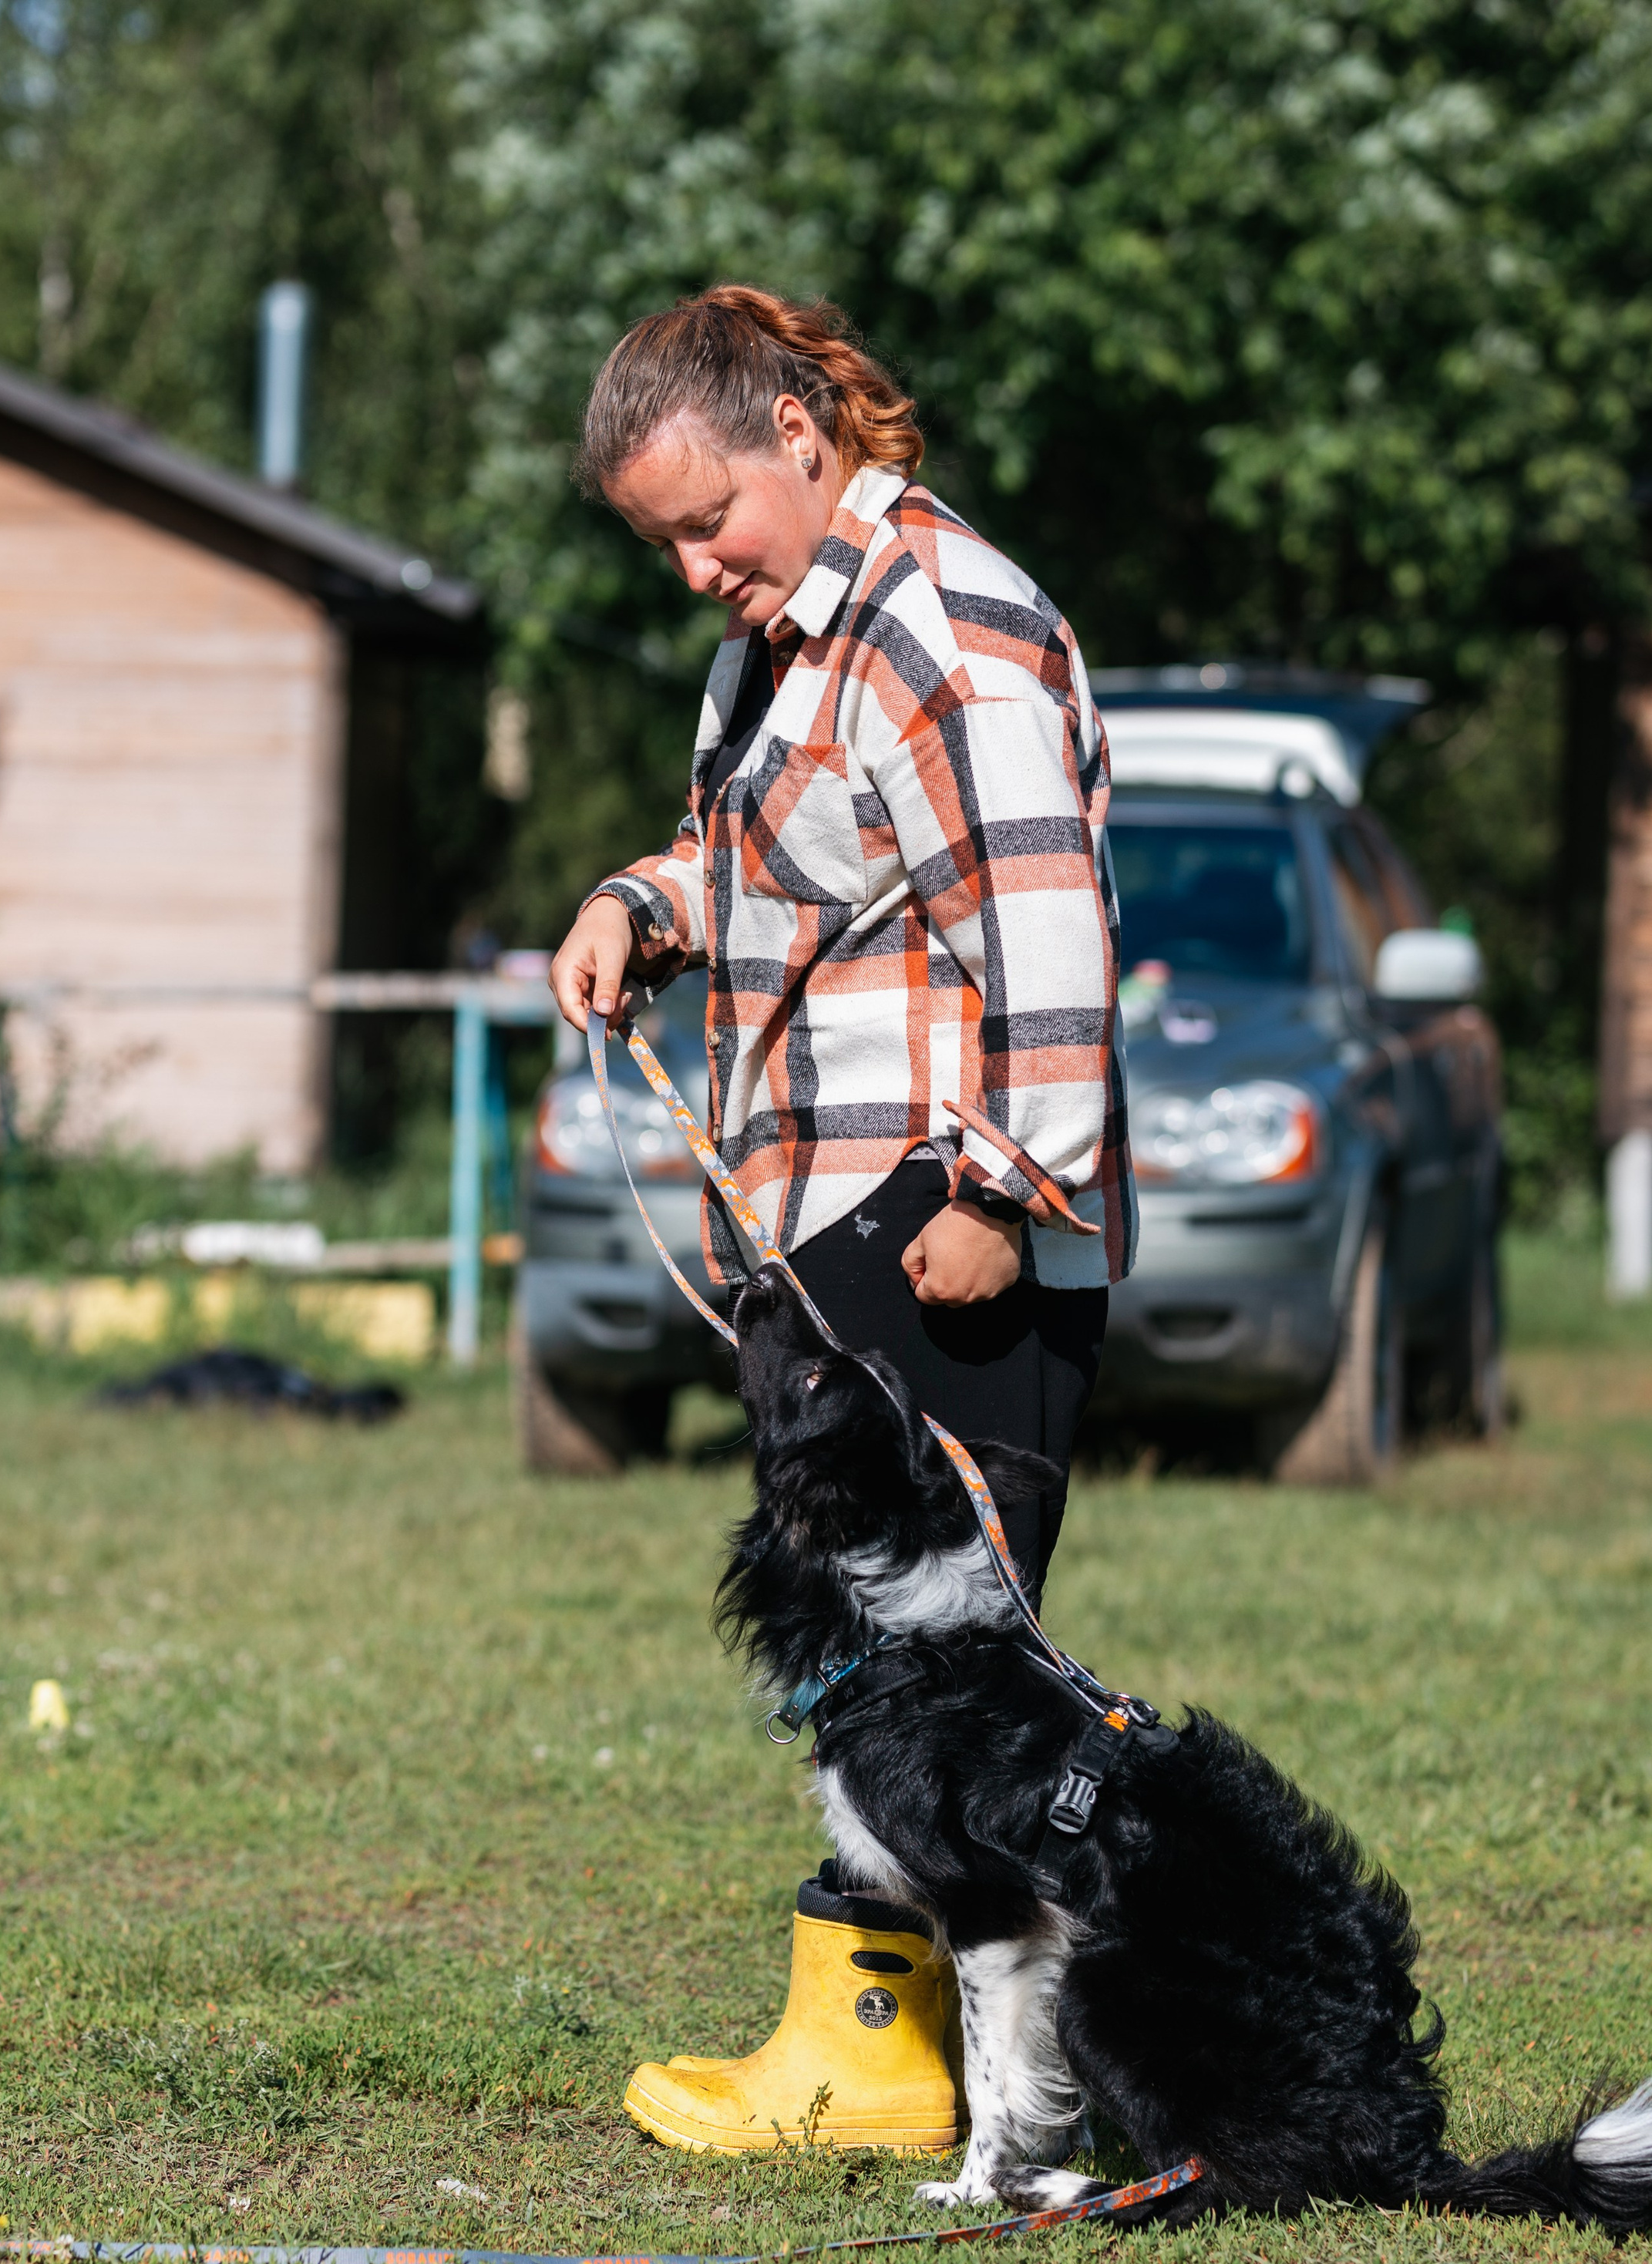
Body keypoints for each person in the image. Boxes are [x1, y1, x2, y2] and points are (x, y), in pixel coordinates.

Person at [547, 285, 1136, 2163]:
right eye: (663, 543)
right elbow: (758, 876)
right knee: (862, 1663)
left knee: (935, 1680)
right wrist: (640, 906)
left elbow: (1044, 935)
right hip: (821, 1229)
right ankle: (876, 2045)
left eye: (704, 517)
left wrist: (996, 1192)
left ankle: (947, 2057)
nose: (693, 566)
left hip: (937, 1222)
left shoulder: (943, 624)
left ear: (800, 430)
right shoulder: (786, 645)